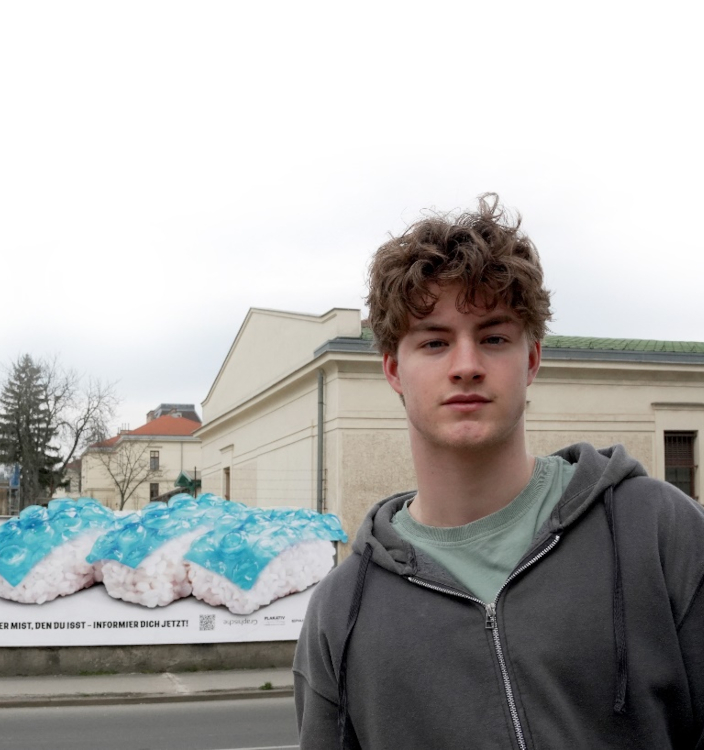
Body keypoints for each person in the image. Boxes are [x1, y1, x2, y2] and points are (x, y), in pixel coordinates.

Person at [293, 194, 704, 749]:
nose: (466, 366)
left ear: (531, 359)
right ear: (393, 369)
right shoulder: (340, 612)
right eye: (434, 342)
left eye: (493, 338)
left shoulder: (658, 531)